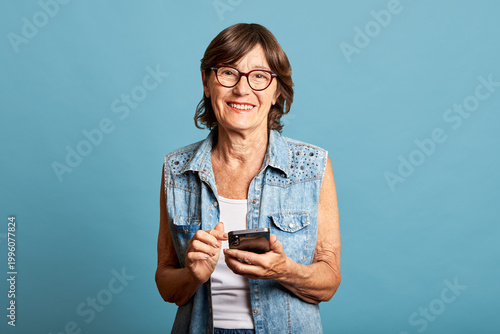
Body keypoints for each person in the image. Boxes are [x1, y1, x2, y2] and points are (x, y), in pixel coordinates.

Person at [155, 23, 341, 334]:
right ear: (206, 81)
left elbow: (329, 281)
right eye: (228, 73)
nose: (242, 89)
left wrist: (284, 270)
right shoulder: (176, 169)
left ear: (276, 90)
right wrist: (192, 274)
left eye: (259, 76)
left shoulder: (312, 166)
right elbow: (166, 284)